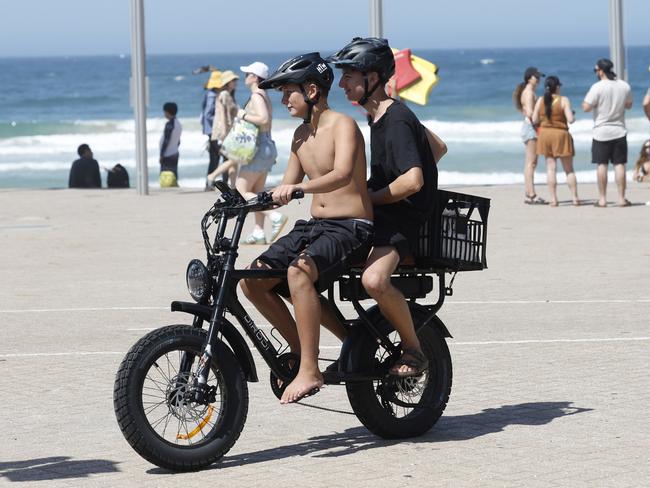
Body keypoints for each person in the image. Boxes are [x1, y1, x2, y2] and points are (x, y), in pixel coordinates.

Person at [240, 53, 374, 403]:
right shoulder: (300, 136)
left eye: (288, 93)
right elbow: (284, 190)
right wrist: (248, 199)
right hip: (316, 227)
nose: (283, 101)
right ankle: (302, 355)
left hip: (351, 227)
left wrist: (298, 189)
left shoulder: (342, 124)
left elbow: (342, 173)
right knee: (252, 280)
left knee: (299, 274)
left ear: (311, 90)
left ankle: (311, 370)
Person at [328, 37, 440, 378]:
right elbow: (439, 147)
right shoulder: (383, 118)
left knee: (374, 281)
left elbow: (412, 182)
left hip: (401, 221)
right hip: (384, 218)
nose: (342, 83)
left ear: (372, 78)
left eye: (349, 75)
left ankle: (414, 350)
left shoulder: (396, 119)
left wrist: (367, 198)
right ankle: (356, 347)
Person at [583, 58, 633, 207]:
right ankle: (621, 198)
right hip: (619, 130)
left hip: (601, 131)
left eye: (596, 70)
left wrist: (596, 104)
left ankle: (603, 199)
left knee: (602, 165)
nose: (596, 73)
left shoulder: (597, 87)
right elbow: (629, 105)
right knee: (619, 165)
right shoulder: (624, 85)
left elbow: (586, 107)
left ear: (601, 71)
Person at [532, 76, 579, 206]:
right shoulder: (563, 100)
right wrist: (572, 115)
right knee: (569, 169)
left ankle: (553, 199)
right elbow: (570, 119)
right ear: (557, 87)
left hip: (545, 135)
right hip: (561, 134)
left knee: (551, 169)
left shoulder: (541, 100)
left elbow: (534, 119)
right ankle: (575, 198)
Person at [513, 67, 546, 204]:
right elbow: (532, 115)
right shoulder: (529, 93)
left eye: (539, 77)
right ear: (529, 78)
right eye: (536, 77)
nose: (538, 79)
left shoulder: (528, 91)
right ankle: (531, 194)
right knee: (531, 163)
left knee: (530, 162)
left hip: (528, 127)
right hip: (531, 128)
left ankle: (529, 193)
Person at [206, 70, 239, 187]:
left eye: (235, 80)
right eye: (233, 80)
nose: (235, 82)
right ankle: (213, 176)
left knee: (233, 161)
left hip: (229, 133)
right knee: (235, 159)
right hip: (224, 133)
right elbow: (222, 117)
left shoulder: (228, 95)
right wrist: (224, 135)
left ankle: (234, 187)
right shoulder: (224, 95)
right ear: (227, 82)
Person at [201, 70, 222, 181]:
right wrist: (220, 122)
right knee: (216, 157)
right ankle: (210, 182)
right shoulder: (212, 95)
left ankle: (210, 183)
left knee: (215, 157)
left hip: (210, 130)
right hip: (213, 131)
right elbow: (208, 114)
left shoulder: (209, 94)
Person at [159, 102, 182, 178]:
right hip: (175, 153)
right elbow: (178, 141)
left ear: (168, 112)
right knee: (173, 175)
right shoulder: (178, 123)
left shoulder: (169, 124)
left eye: (164, 112)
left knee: (165, 177)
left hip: (167, 155)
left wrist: (161, 155)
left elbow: (166, 141)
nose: (164, 114)